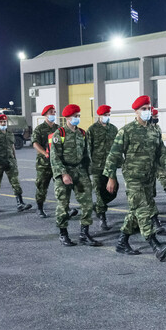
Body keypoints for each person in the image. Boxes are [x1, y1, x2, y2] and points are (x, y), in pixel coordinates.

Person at [104, 96, 166, 261]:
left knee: (135, 211)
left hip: (149, 178)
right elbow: (113, 155)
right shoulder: (127, 131)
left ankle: (122, 242)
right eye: (143, 109)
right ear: (136, 111)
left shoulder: (154, 130)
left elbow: (162, 152)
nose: (147, 111)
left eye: (148, 108)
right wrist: (111, 176)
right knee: (144, 210)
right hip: (133, 178)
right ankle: (155, 245)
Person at [50, 104, 101, 247]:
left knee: (87, 203)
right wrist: (63, 174)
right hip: (64, 172)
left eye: (78, 116)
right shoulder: (59, 134)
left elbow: (87, 155)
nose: (77, 118)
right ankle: (63, 234)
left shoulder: (82, 134)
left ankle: (84, 234)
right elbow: (54, 157)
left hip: (80, 172)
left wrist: (89, 171)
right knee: (63, 204)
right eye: (74, 116)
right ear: (67, 118)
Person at [0, 114, 32, 213]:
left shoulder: (10, 133)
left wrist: (14, 159)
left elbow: (12, 147)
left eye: (5, 122)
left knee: (15, 182)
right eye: (1, 122)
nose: (3, 123)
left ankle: (20, 203)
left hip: (10, 162)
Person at [87, 104, 118, 231]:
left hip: (110, 166)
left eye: (108, 115)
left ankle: (99, 206)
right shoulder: (92, 129)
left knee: (113, 191)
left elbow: (117, 148)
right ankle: (102, 217)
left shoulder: (114, 129)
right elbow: (88, 148)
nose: (107, 117)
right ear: (99, 115)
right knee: (99, 191)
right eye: (105, 115)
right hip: (97, 166)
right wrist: (89, 165)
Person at [31, 104, 59, 218]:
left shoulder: (58, 128)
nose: (53, 114)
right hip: (44, 163)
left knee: (60, 186)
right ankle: (40, 207)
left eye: (54, 112)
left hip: (56, 163)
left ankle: (63, 208)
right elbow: (35, 143)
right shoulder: (39, 129)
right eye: (51, 112)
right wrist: (45, 153)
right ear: (45, 114)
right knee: (42, 186)